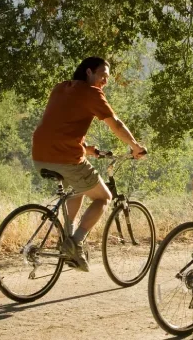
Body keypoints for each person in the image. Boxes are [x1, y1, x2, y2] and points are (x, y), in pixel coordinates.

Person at [32, 57, 147, 272]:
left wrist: (86, 148)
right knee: (104, 197)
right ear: (88, 72)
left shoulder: (60, 88)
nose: (105, 80)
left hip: (39, 155)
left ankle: (67, 237)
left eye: (107, 77)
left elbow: (58, 125)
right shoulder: (92, 93)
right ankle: (75, 243)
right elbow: (116, 124)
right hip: (65, 158)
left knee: (78, 188)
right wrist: (135, 146)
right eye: (102, 75)